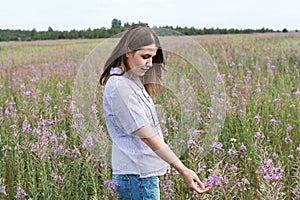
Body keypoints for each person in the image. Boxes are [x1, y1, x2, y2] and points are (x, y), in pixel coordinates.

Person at [99, 24, 210, 199]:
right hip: (137, 177)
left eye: (153, 57)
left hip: (142, 175)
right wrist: (183, 170)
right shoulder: (121, 87)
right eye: (145, 57)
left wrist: (159, 160)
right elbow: (147, 136)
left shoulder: (132, 82)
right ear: (128, 51)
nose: (150, 63)